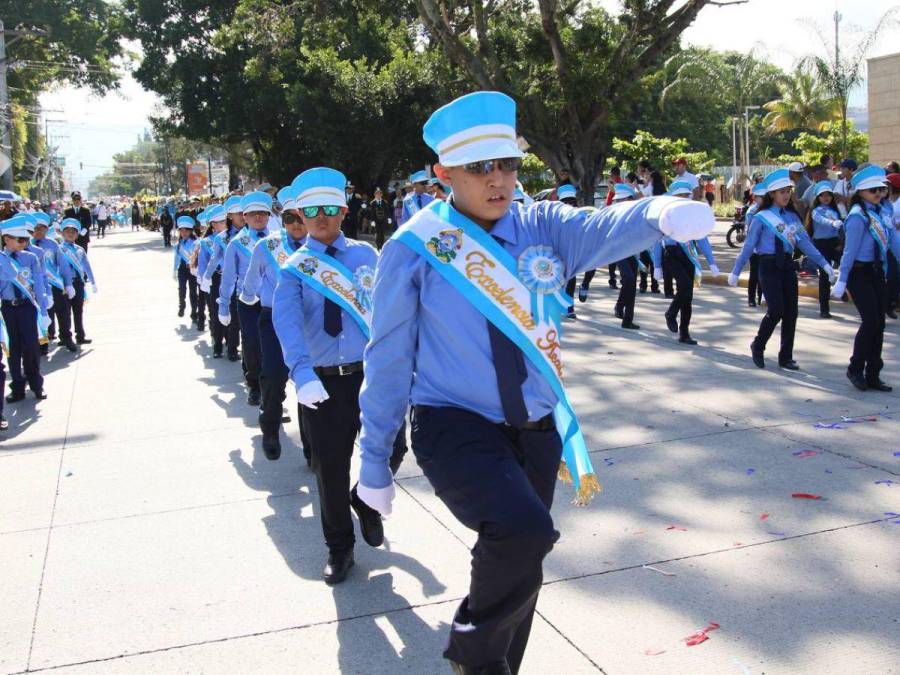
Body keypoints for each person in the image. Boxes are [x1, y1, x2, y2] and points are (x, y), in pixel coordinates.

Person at [355, 91, 713, 674]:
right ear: (443, 174)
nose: (498, 179)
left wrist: (656, 213)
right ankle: (472, 649)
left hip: (536, 428)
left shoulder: (542, 224)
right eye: (479, 168)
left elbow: (601, 226)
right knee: (523, 532)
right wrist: (374, 460)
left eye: (508, 164)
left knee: (522, 565)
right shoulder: (415, 246)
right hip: (455, 423)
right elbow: (389, 356)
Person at [272, 167, 408, 585]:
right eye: (311, 210)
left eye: (329, 209)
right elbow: (287, 322)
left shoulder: (367, 255)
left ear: (344, 211)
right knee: (330, 469)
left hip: (371, 375)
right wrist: (302, 372)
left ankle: (365, 502)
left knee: (394, 448)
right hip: (324, 383)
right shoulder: (295, 266)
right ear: (301, 214)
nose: (320, 217)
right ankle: (340, 548)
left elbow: (390, 312)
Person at [729, 168, 835, 371]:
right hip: (768, 266)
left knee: (792, 312)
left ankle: (786, 356)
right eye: (782, 192)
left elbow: (805, 243)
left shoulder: (793, 218)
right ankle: (758, 345)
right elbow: (749, 246)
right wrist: (736, 270)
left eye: (788, 191)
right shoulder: (761, 217)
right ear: (771, 195)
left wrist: (824, 264)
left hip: (787, 266)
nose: (786, 195)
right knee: (776, 309)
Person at [239, 185, 309, 461]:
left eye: (300, 217)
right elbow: (250, 286)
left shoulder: (320, 246)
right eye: (289, 218)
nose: (295, 224)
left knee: (310, 380)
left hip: (310, 322)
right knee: (275, 375)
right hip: (274, 319)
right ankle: (270, 426)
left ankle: (312, 443)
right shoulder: (267, 246)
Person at [832, 166, 900, 391]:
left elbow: (893, 243)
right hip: (858, 274)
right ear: (860, 192)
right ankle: (855, 368)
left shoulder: (882, 213)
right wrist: (841, 280)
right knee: (870, 321)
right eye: (873, 190)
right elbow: (849, 251)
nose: (878, 194)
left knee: (879, 323)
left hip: (876, 272)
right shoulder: (857, 216)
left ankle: (873, 373)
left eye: (881, 189)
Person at [218, 191, 272, 405]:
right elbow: (229, 277)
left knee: (274, 348)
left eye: (262, 213)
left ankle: (274, 388)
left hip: (273, 302)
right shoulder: (236, 243)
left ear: (268, 215)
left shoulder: (278, 239)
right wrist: (223, 305)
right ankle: (255, 386)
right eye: (252, 214)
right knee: (251, 344)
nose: (258, 217)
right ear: (245, 216)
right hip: (248, 303)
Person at [650, 181, 719, 345]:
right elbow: (657, 242)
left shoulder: (693, 216)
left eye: (685, 195)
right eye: (678, 196)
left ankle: (684, 333)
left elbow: (702, 240)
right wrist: (657, 265)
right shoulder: (665, 216)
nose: (682, 199)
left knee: (687, 296)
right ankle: (671, 313)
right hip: (672, 254)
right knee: (686, 285)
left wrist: (712, 262)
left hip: (688, 255)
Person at [0, 215, 51, 403]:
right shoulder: (2, 259)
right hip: (8, 309)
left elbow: (38, 284)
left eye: (26, 239)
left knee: (32, 347)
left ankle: (36, 384)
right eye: (19, 239)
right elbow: (10, 275)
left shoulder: (30, 257)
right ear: (6, 239)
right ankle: (17, 388)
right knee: (13, 350)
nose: (24, 242)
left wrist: (44, 310)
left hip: (27, 307)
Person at [204, 195, 244, 361]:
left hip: (252, 283)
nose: (242, 216)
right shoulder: (222, 238)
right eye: (237, 213)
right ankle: (230, 348)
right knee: (231, 318)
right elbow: (214, 260)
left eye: (243, 212)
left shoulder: (255, 234)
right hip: (228, 281)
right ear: (230, 216)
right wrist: (206, 278)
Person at [31, 213, 77, 354]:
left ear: (47, 228)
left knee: (63, 313)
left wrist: (68, 284)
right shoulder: (26, 245)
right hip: (37, 287)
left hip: (55, 285)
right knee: (43, 316)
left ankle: (66, 337)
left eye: (42, 228)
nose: (39, 231)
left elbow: (62, 265)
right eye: (36, 228)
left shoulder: (52, 244)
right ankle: (43, 342)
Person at [806, 181, 844, 318]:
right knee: (825, 276)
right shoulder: (816, 211)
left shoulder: (835, 210)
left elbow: (842, 226)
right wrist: (833, 223)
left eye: (829, 195)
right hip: (821, 245)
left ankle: (842, 288)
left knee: (847, 266)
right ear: (818, 197)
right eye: (822, 195)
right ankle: (824, 308)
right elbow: (821, 220)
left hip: (834, 243)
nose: (826, 197)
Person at [611, 183, 643, 329]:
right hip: (618, 250)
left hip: (633, 251)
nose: (620, 202)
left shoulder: (637, 213)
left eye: (624, 199)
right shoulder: (612, 212)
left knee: (631, 282)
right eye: (619, 199)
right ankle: (619, 306)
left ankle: (627, 319)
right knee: (628, 278)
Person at [197, 205, 228, 357]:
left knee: (231, 312)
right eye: (220, 222)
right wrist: (204, 280)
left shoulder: (234, 238)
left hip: (231, 278)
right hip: (215, 279)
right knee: (216, 313)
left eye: (224, 221)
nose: (223, 224)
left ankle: (231, 342)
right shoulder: (206, 241)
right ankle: (217, 345)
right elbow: (203, 263)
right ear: (213, 225)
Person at [173, 216, 199, 324]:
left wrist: (192, 265)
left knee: (193, 292)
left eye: (186, 230)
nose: (184, 233)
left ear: (190, 231)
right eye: (181, 230)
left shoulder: (196, 243)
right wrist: (174, 270)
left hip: (192, 269)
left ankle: (194, 311)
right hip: (182, 269)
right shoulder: (178, 244)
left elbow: (196, 257)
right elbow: (177, 258)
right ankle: (181, 305)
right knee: (182, 288)